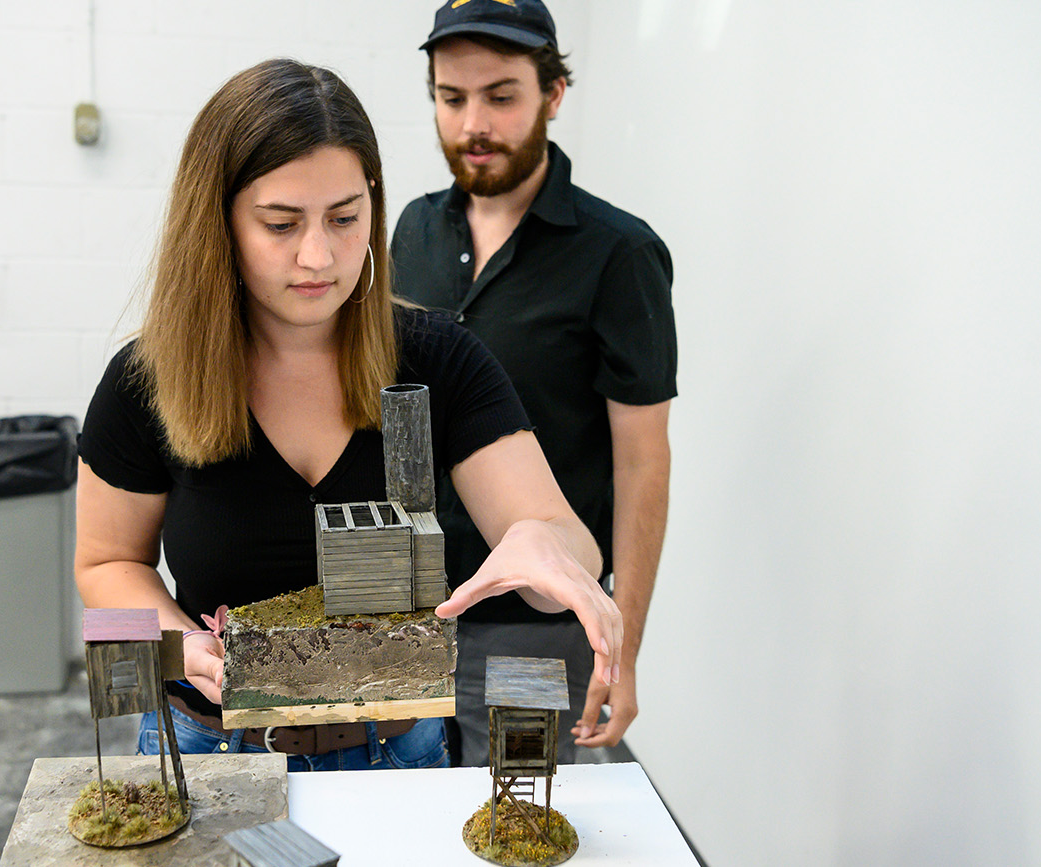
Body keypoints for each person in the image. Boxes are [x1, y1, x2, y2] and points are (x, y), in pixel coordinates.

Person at [74, 58, 622, 773]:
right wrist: (185, 641)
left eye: (344, 218)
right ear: (218, 225)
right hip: (212, 750)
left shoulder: (437, 361)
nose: (318, 255)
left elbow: (563, 540)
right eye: (280, 223)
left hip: (397, 750)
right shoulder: (146, 380)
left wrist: (550, 549)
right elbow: (107, 560)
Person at [392, 0, 678, 766]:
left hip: (536, 623)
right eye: (451, 99)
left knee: (517, 823)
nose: (473, 123)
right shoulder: (410, 232)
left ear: (553, 95)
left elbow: (643, 462)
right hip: (410, 607)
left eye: (501, 96)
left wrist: (623, 647)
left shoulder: (619, 255)